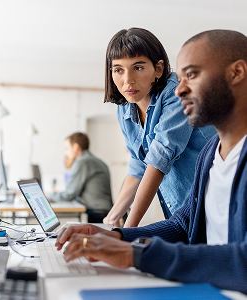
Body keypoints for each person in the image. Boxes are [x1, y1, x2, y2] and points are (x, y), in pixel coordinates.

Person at [55, 29, 247, 293]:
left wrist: (135, 254)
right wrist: (116, 235)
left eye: (190, 75)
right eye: (180, 78)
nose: (178, 90)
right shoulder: (210, 154)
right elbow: (182, 225)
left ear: (236, 73)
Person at [102, 28, 216, 227]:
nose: (127, 80)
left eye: (138, 67)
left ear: (158, 69)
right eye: (118, 69)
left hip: (214, 206)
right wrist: (111, 220)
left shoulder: (178, 93)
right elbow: (139, 165)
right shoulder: (125, 108)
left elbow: (159, 159)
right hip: (182, 215)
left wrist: (127, 231)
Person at [48, 132, 112, 223]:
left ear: (76, 147)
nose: (66, 153)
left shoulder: (82, 162)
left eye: (67, 148)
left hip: (96, 213)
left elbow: (69, 195)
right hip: (104, 211)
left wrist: (50, 195)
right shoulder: (98, 161)